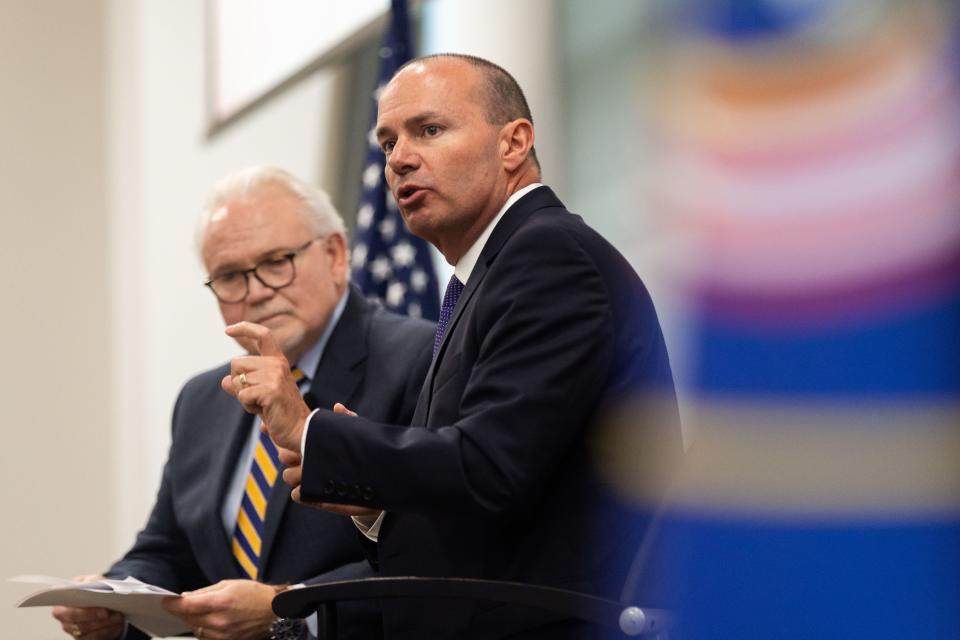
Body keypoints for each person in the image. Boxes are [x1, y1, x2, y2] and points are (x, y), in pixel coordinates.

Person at [225, 55, 681, 639]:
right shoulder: (489, 275)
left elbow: (489, 466)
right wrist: (375, 510)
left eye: (429, 130)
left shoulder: (549, 257)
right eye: (387, 142)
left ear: (514, 143)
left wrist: (310, 429)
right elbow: (496, 495)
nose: (399, 159)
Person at [51, 167, 435, 640]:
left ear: (335, 254)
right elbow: (169, 551)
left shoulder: (419, 360)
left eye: (276, 262)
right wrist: (113, 601)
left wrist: (286, 609)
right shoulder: (203, 400)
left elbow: (432, 558)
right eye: (230, 276)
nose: (255, 292)